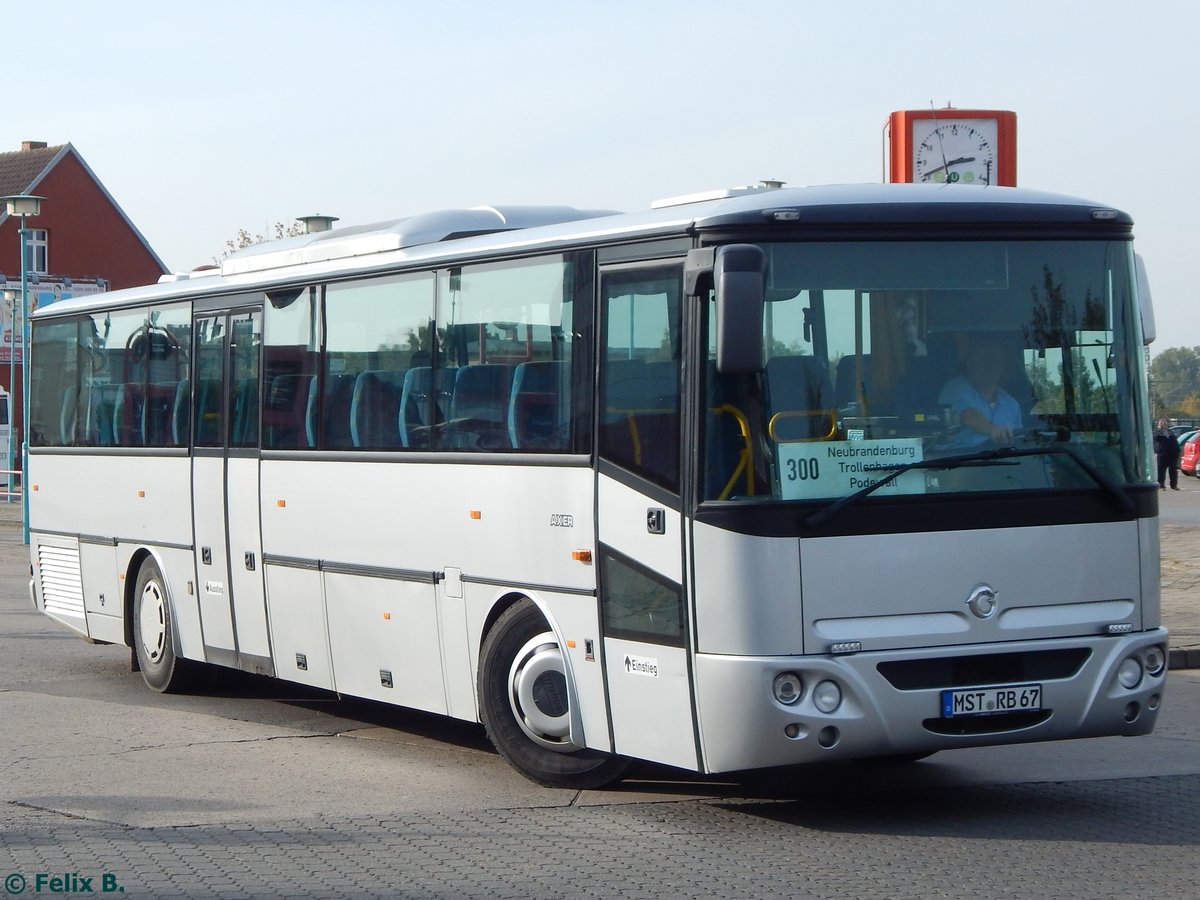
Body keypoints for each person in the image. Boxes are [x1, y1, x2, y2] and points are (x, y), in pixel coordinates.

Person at [937, 335, 1022, 448]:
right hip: (958, 461)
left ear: (1004, 367)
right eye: (984, 360)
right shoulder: (955, 388)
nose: (991, 366)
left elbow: (1019, 442)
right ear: (970, 363)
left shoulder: (1012, 404)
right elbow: (968, 416)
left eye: (996, 361)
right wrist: (994, 430)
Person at [1154, 419, 1181, 490]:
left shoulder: (1169, 431)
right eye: (1161, 423)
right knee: (1161, 470)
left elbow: (1174, 440)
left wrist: (1177, 450)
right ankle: (1161, 484)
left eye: (1164, 423)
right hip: (1162, 453)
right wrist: (1159, 429)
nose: (1163, 424)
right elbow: (1156, 438)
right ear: (1158, 424)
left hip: (1172, 454)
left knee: (1173, 471)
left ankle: (1174, 485)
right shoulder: (1157, 431)